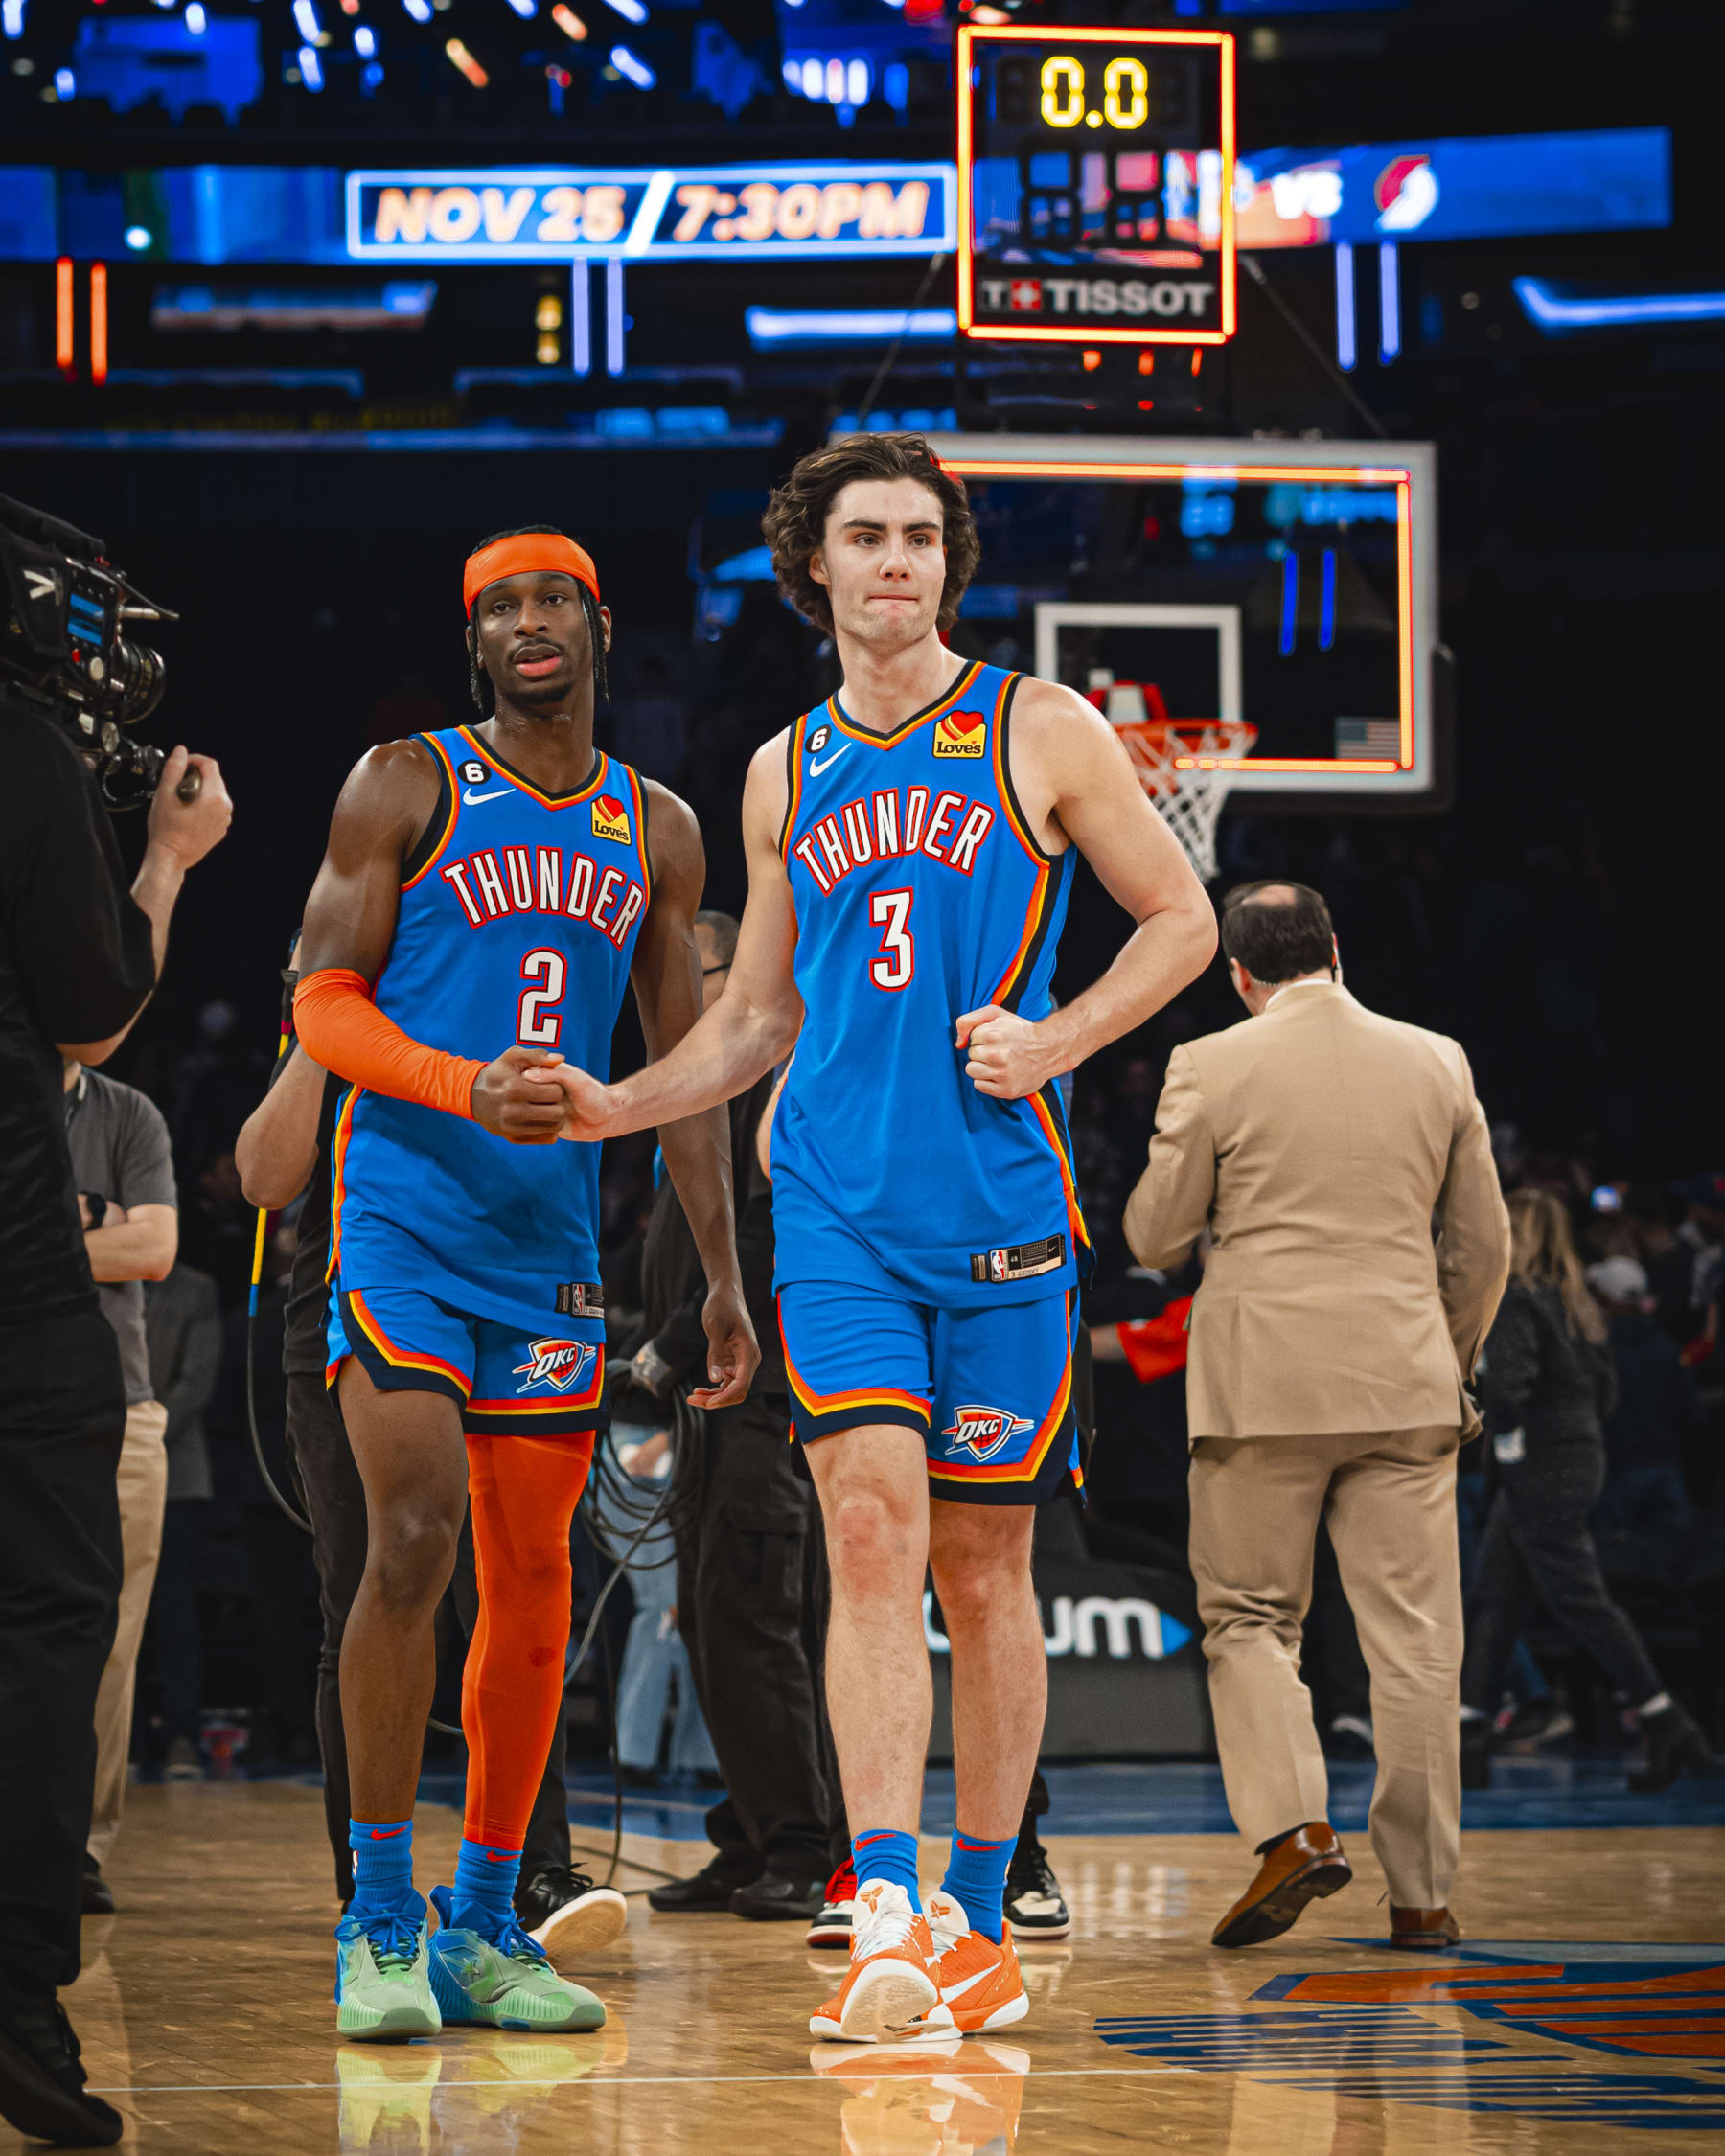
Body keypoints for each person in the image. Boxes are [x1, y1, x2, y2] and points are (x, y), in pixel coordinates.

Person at [554, 432, 1215, 2042]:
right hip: (838, 1213)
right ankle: (887, 1910)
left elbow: (1185, 921)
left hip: (998, 1218)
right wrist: (613, 1101)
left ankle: (981, 1920)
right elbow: (760, 1014)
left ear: (947, 563)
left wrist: (1057, 1044)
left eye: (923, 536)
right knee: (864, 1537)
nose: (899, 561)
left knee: (984, 1571)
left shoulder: (1039, 726)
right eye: (869, 536)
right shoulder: (785, 769)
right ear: (819, 566)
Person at [288, 525, 758, 2040]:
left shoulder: (659, 826)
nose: (529, 621)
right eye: (499, 605)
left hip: (549, 1252)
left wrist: (725, 1282)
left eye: (553, 596)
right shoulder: (404, 780)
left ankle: (485, 1921)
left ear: (600, 627)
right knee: (413, 1539)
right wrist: (452, 1081)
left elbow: (689, 1073)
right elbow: (319, 998)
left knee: (541, 1593)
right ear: (474, 642)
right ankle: (378, 1913)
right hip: (406, 1220)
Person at [1123, 880, 1510, 1955]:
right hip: (1405, 1383)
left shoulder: (1210, 1063)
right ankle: (1425, 1898)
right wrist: (1446, 1361)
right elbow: (1484, 1249)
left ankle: (1296, 1832)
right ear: (1338, 951)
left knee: (1250, 1619)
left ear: (1237, 974)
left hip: (1263, 1389)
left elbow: (1156, 1238)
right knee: (1420, 1651)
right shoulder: (1438, 1059)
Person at [236, 952, 628, 1971]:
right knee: (379, 1575)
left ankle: (518, 1875)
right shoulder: (336, 1031)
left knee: (511, 1579)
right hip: (345, 1300)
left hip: (497, 1286)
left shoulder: (466, 1002)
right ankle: (369, 1882)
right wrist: (316, 1033)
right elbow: (266, 1178)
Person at [0, 718, 229, 2151]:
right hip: (27, 1297)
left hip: (90, 1340)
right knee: (49, 1625)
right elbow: (90, 1002)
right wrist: (161, 855)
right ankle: (20, 1999)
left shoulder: (135, 1123)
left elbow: (160, 1234)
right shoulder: (17, 732)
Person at [639, 917, 845, 1928]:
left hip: (764, 1402)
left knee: (764, 1622)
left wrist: (665, 1348)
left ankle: (810, 1845)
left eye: (697, 973)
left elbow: (762, 1240)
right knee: (715, 1624)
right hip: (711, 1407)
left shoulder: (779, 1080)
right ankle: (752, 1832)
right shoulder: (701, 1088)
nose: (679, 991)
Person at [1460, 1193, 1712, 1792]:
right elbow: (1605, 1393)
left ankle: (1667, 1720)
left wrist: (1508, 1441)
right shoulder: (1579, 1303)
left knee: (1580, 1600)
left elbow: (1512, 1391)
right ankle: (1468, 1734)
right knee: (1497, 1597)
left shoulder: (1517, 1298)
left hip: (1537, 1465)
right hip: (1578, 1457)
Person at [62, 1058, 180, 1913]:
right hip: (28, 1408)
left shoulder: (128, 1112)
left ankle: (77, 1850)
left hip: (124, 1409)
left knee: (113, 1637)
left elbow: (156, 1248)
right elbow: (128, 1240)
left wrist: (51, 1229)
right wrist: (104, 1218)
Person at [143, 1261, 223, 1782]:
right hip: (96, 1465)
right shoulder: (90, 1276)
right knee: (104, 1610)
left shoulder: (195, 1288)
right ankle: (114, 1739)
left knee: (173, 1611)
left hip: (172, 1472)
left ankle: (180, 1735)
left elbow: (196, 1381)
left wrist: (137, 1437)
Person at [1588, 1255, 1703, 1536]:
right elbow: (1693, 1415)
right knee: (1675, 1563)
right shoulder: (1666, 1347)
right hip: (1666, 1468)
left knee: (1621, 1565)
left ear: (1605, 1299)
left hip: (1616, 1472)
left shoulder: (1596, 1353)